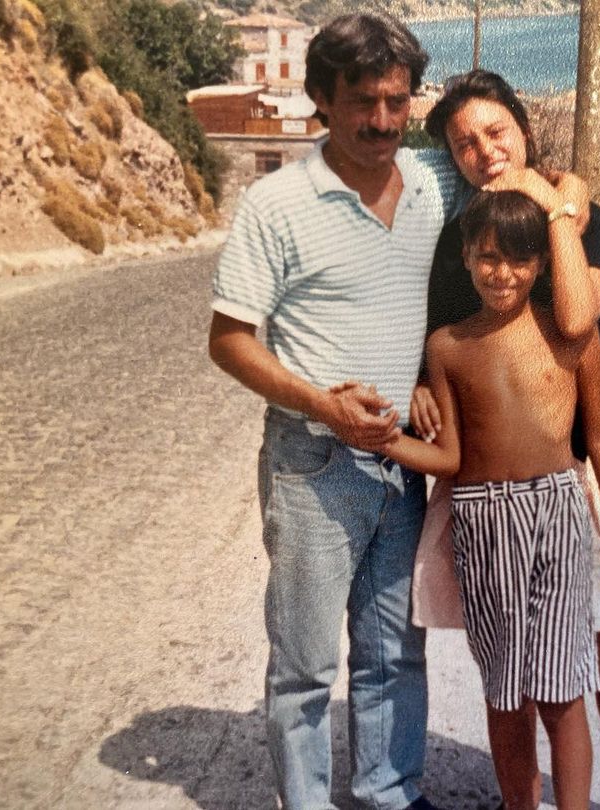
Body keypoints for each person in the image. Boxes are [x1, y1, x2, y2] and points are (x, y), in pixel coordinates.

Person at [206, 14, 472, 810]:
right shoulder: (277, 203)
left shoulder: (436, 179)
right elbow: (229, 342)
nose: (384, 121)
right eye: (363, 101)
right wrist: (324, 404)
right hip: (313, 463)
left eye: (398, 100)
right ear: (322, 98)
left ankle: (390, 793)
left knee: (395, 652)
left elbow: (523, 177)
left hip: (404, 461)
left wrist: (423, 373)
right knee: (305, 665)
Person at [414, 70, 600, 810]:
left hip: (586, 463)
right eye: (464, 144)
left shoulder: (591, 223)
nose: (484, 151)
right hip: (500, 480)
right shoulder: (463, 242)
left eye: (495, 131)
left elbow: (573, 318)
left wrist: (559, 204)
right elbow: (440, 338)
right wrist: (417, 383)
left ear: (525, 131)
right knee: (519, 664)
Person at [378, 189, 600, 810]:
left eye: (519, 259)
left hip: (557, 512)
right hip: (481, 518)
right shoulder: (447, 347)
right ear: (467, 257)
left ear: (541, 264)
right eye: (488, 257)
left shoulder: (572, 338)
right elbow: (450, 458)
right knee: (504, 691)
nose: (503, 273)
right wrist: (384, 440)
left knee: (562, 690)